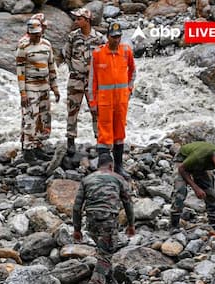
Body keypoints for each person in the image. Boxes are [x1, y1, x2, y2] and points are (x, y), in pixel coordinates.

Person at [72, 153, 135, 284]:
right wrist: (131, 224)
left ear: (98, 165)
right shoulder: (118, 178)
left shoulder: (86, 179)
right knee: (106, 254)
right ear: (111, 166)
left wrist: (77, 229)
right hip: (107, 220)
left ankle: (111, 280)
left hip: (91, 221)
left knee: (103, 251)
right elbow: (128, 203)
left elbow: (76, 207)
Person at [88, 22, 136, 177]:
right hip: (104, 99)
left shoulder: (126, 51)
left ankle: (119, 166)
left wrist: (129, 89)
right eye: (114, 37)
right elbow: (92, 79)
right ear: (107, 37)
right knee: (104, 133)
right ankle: (103, 168)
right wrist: (92, 101)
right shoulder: (98, 53)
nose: (116, 40)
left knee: (119, 131)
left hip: (121, 99)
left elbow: (132, 72)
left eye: (119, 37)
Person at [16, 19, 60, 163]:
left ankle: (38, 146)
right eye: (33, 34)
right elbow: (20, 71)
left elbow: (52, 66)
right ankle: (28, 149)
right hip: (30, 88)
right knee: (30, 117)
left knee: (43, 118)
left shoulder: (47, 45)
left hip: (44, 87)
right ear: (29, 33)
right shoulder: (23, 47)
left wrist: (55, 87)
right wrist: (23, 93)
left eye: (38, 33)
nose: (36, 36)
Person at [170, 142, 215, 232]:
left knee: (210, 193)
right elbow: (182, 169)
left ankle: (214, 226)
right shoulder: (200, 156)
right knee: (180, 191)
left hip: (200, 167)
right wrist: (196, 188)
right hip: (182, 160)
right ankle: (174, 225)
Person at [64, 8, 106, 155]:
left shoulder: (99, 38)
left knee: (96, 110)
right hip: (76, 79)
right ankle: (70, 140)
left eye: (78, 19)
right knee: (72, 110)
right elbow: (66, 55)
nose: (76, 21)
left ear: (87, 20)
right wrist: (74, 69)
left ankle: (100, 140)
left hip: (93, 81)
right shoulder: (72, 37)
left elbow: (104, 59)